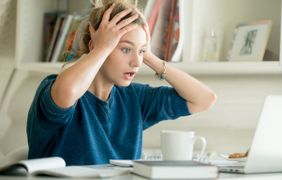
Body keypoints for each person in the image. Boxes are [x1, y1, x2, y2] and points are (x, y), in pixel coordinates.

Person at [27, 0, 216, 166]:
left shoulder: (134, 98)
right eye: (125, 49)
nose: (136, 63)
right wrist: (102, 48)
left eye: (140, 52)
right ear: (96, 46)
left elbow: (204, 99)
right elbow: (67, 93)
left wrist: (149, 56)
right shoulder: (53, 88)